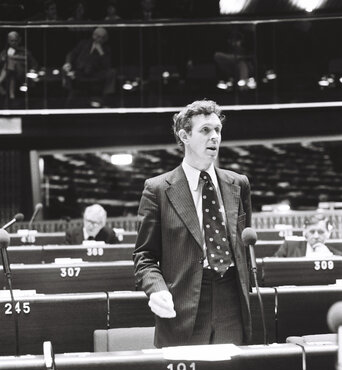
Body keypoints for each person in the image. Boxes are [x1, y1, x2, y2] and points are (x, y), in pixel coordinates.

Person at [133, 99, 252, 347]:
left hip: (231, 298)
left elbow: (244, 245)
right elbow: (144, 256)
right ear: (184, 136)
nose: (215, 137)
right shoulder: (157, 189)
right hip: (182, 302)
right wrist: (156, 288)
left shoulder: (238, 184)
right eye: (205, 130)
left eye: (218, 130)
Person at [62, 27, 116, 107]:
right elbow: (71, 54)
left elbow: (107, 65)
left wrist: (101, 52)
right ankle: (68, 93)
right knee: (65, 69)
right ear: (93, 36)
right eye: (98, 36)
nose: (100, 39)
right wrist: (68, 63)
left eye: (102, 37)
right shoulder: (83, 43)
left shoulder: (106, 49)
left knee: (112, 72)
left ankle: (106, 98)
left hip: (96, 73)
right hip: (79, 71)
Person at [274, 213, 342, 257]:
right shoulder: (289, 247)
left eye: (321, 232)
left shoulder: (336, 255)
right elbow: (271, 267)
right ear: (305, 232)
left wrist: (331, 258)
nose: (316, 236)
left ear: (328, 233)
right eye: (312, 232)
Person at [0, 31, 38, 101]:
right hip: (10, 75)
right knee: (11, 69)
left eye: (15, 41)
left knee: (11, 62)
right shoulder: (4, 52)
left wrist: (32, 70)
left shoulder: (24, 51)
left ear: (19, 40)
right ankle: (12, 95)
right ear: (8, 41)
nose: (14, 43)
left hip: (22, 75)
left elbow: (34, 64)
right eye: (12, 41)